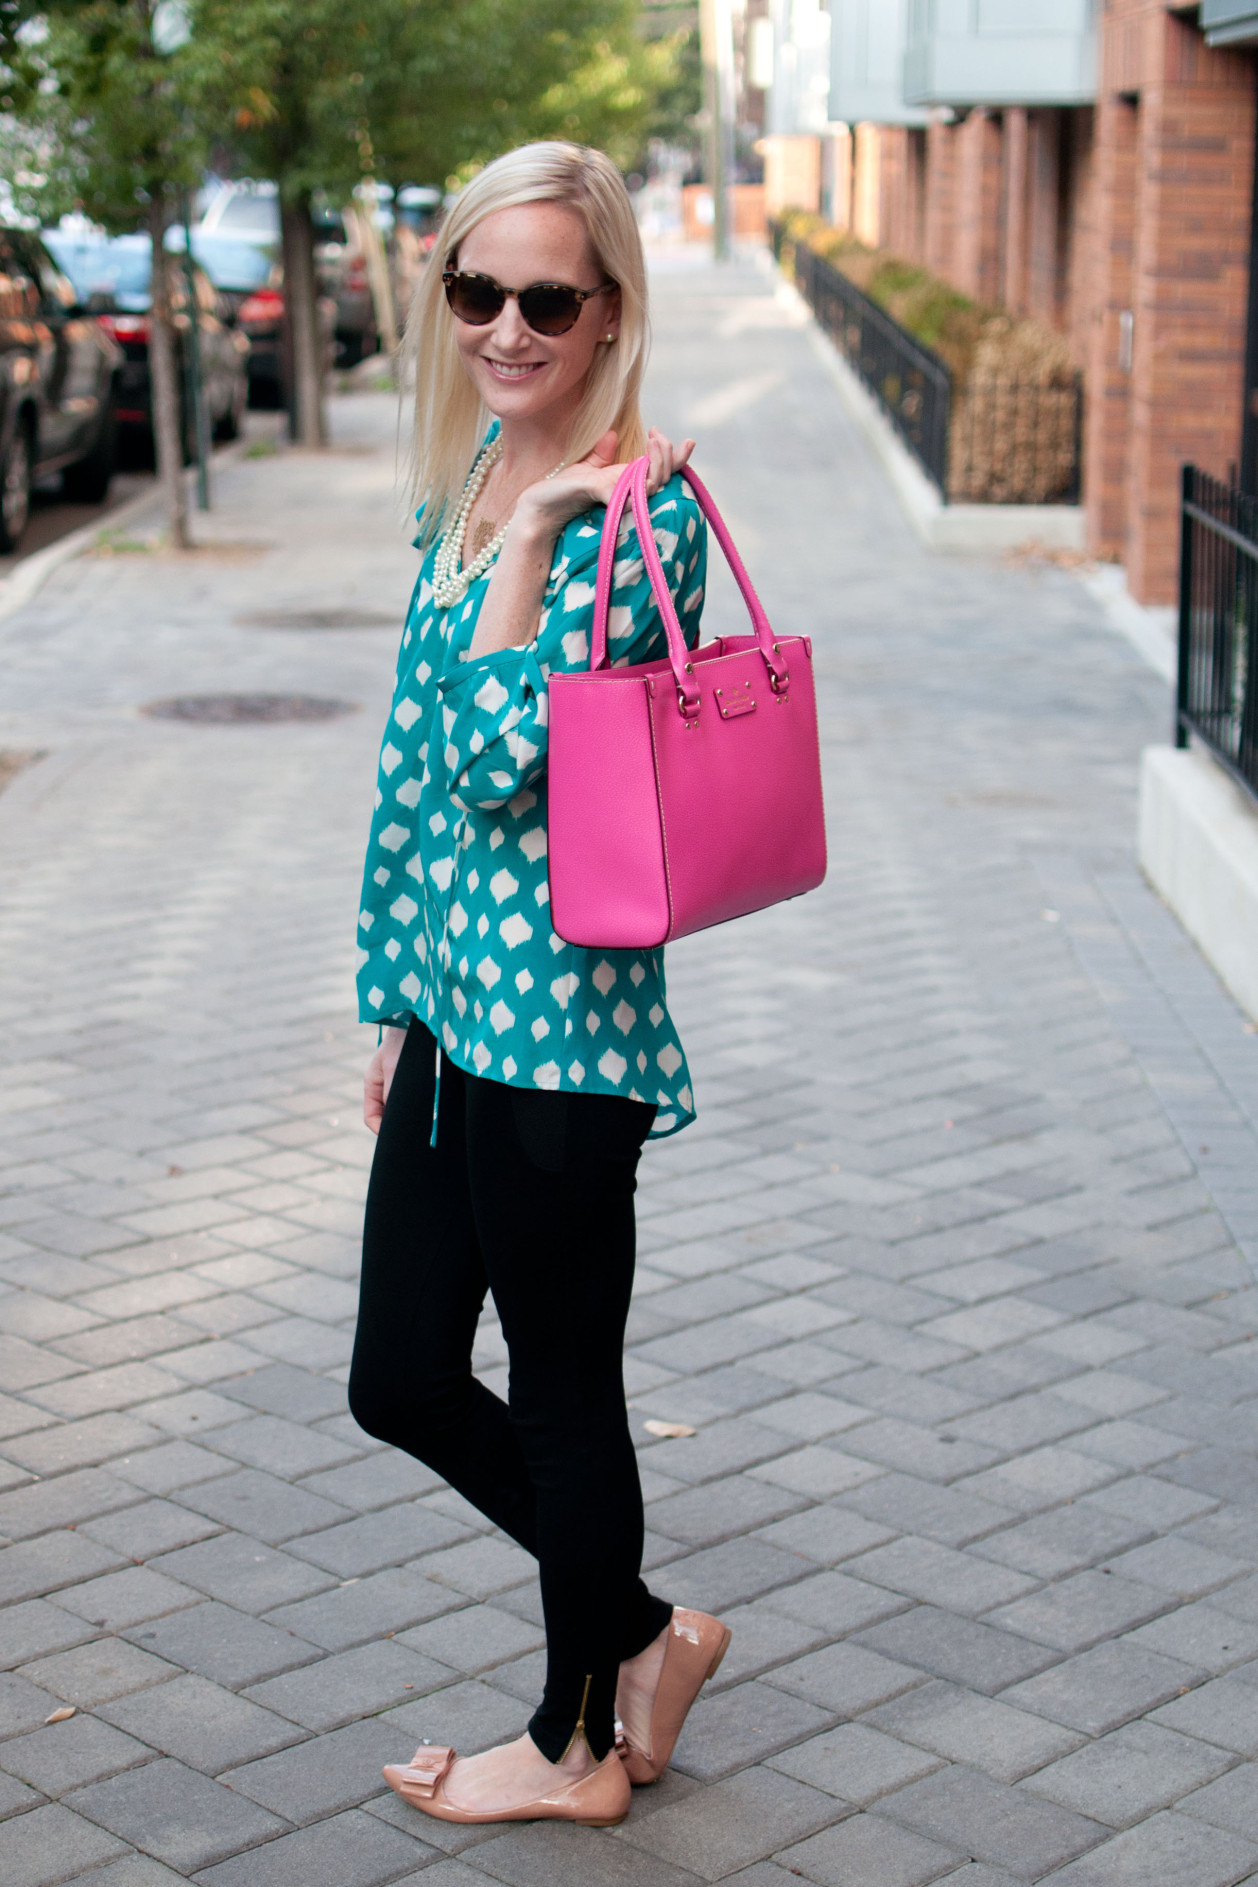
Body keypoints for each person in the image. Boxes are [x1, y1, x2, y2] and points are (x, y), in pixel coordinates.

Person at [347, 142, 728, 1829]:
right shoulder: (468, 473)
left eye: (546, 298)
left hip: (563, 1037)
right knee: (400, 1377)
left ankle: (578, 1746)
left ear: (609, 311)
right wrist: (388, 990)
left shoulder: (639, 521)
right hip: (453, 1009)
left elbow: (511, 764)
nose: (507, 326)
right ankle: (648, 1633)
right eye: (477, 290)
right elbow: (410, 772)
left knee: (568, 1390)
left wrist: (544, 538)